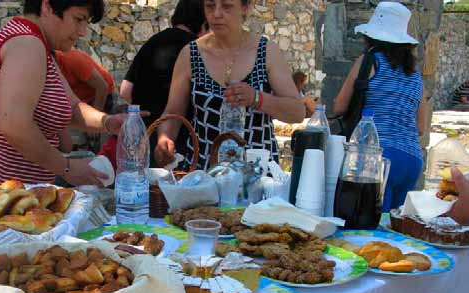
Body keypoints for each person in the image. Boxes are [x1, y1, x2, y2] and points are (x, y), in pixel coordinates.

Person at [0, 0, 130, 201]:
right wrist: (66, 168)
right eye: (78, 19)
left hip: (2, 195)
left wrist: (107, 122)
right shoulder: (27, 44)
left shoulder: (39, 46)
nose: (83, 31)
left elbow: (72, 107)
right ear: (47, 6)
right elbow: (14, 124)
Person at [154, 0, 304, 170]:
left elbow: (297, 112)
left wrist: (257, 98)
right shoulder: (191, 54)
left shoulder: (266, 52)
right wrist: (165, 138)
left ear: (245, 7)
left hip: (257, 176)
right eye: (210, 6)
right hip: (204, 173)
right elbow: (173, 112)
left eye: (226, 6)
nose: (216, 14)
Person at [334, 2, 425, 212]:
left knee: (370, 227)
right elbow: (420, 128)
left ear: (371, 36)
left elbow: (339, 106)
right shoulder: (416, 76)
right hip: (411, 160)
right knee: (394, 227)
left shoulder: (369, 62)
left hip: (379, 157)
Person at [119, 0, 207, 167]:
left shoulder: (154, 41)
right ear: (203, 21)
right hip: (177, 140)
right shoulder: (195, 51)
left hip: (140, 132)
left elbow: (125, 90)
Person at [55, 48, 116, 113]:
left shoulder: (72, 58)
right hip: (82, 99)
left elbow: (103, 87)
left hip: (101, 95)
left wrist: (95, 115)